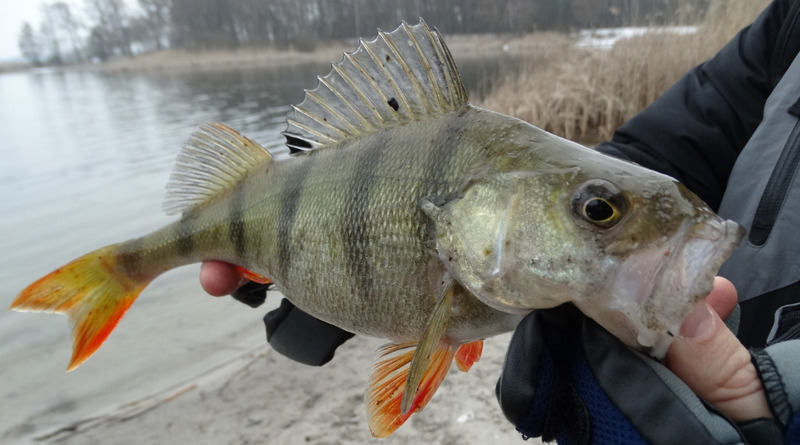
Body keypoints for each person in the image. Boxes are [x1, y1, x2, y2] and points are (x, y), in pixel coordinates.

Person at [201, 0, 800, 442]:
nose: (603, 219)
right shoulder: (786, 26)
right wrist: (327, 255)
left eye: (599, 213)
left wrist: (787, 404)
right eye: (598, 213)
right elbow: (684, 134)